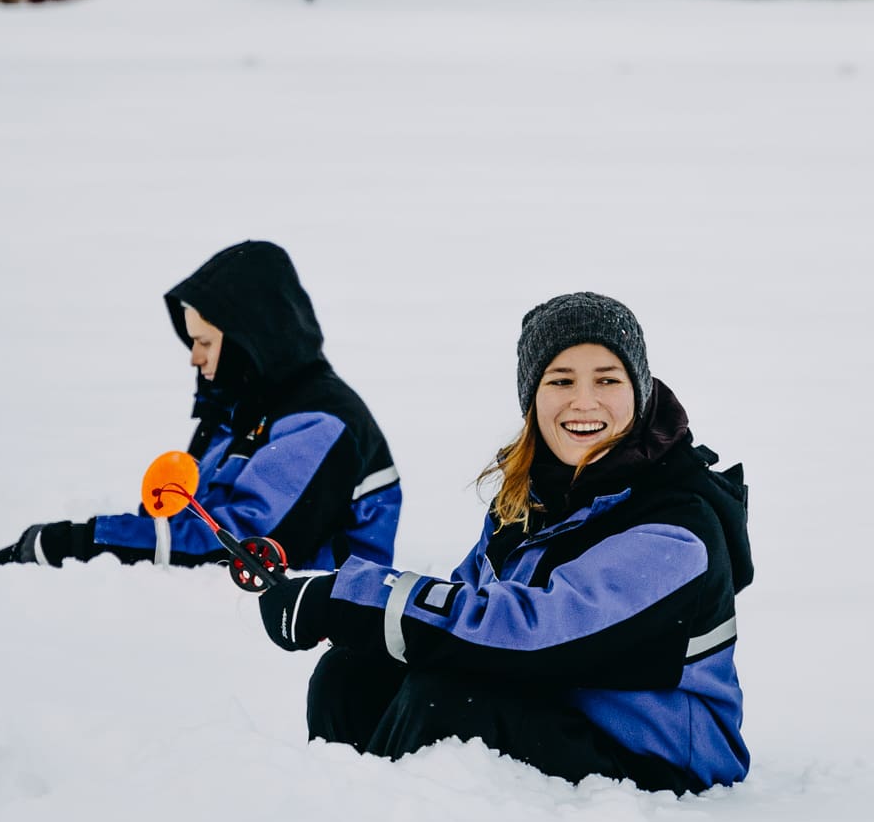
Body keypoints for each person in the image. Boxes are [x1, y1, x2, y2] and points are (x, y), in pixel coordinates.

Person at [256, 292, 751, 793]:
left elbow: (538, 630)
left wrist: (359, 602)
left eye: (607, 379)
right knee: (352, 675)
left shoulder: (678, 528)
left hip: (660, 762)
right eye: (561, 380)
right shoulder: (529, 500)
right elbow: (468, 617)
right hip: (558, 706)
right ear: (533, 398)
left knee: (445, 699)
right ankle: (344, 813)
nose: (584, 401)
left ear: (638, 392)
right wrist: (365, 626)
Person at [0, 240, 400, 572]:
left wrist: (79, 543)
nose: (194, 357)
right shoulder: (244, 410)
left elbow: (239, 551)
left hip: (307, 632)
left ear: (249, 342)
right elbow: (182, 519)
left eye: (204, 343)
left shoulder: (318, 425)